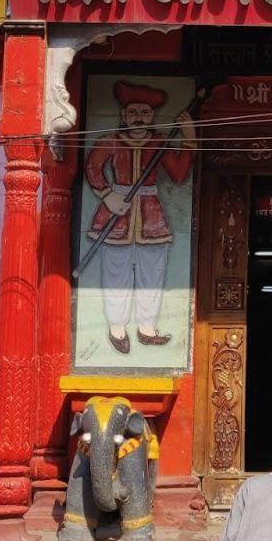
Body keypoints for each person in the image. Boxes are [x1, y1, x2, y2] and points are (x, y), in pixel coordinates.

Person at [83, 83, 195, 352]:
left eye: (144, 113)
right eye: (133, 112)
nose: (138, 118)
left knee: (152, 276)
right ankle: (117, 329)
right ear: (123, 115)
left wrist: (190, 138)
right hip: (116, 215)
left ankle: (147, 329)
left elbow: (179, 175)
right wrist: (107, 195)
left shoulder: (160, 142)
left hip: (151, 218)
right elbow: (93, 167)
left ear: (152, 116)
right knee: (116, 276)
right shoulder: (111, 141)